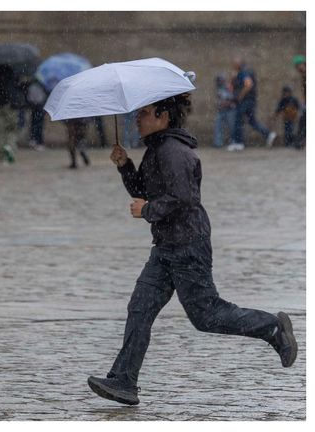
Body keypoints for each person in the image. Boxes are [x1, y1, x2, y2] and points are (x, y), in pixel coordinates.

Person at [87, 93, 298, 406]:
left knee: (207, 316)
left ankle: (273, 327)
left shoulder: (173, 151)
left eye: (144, 113)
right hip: (165, 247)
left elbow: (181, 199)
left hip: (187, 245)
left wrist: (146, 211)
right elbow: (144, 190)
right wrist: (125, 165)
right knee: (140, 307)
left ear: (163, 117)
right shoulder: (157, 148)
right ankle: (124, 381)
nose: (137, 118)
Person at [229, 57, 277, 151]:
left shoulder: (243, 72)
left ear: (239, 64)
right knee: (252, 121)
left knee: (238, 121)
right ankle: (269, 134)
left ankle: (239, 143)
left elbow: (248, 84)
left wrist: (240, 96)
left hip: (245, 102)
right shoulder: (243, 72)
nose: (233, 65)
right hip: (250, 101)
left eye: (235, 63)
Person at [0, 64, 22, 164]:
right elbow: (19, 86)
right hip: (11, 104)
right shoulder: (13, 69)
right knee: (11, 129)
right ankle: (10, 147)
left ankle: (2, 154)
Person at [213, 74, 236, 148]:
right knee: (218, 126)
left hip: (229, 109)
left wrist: (226, 103)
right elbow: (218, 99)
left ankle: (234, 141)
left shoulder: (229, 87)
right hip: (221, 110)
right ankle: (218, 143)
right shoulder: (218, 88)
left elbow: (232, 98)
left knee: (232, 126)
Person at [293, 55, 306, 149]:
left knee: (303, 121)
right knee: (303, 121)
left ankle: (300, 142)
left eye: (298, 65)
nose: (297, 68)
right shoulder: (303, 75)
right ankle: (300, 142)